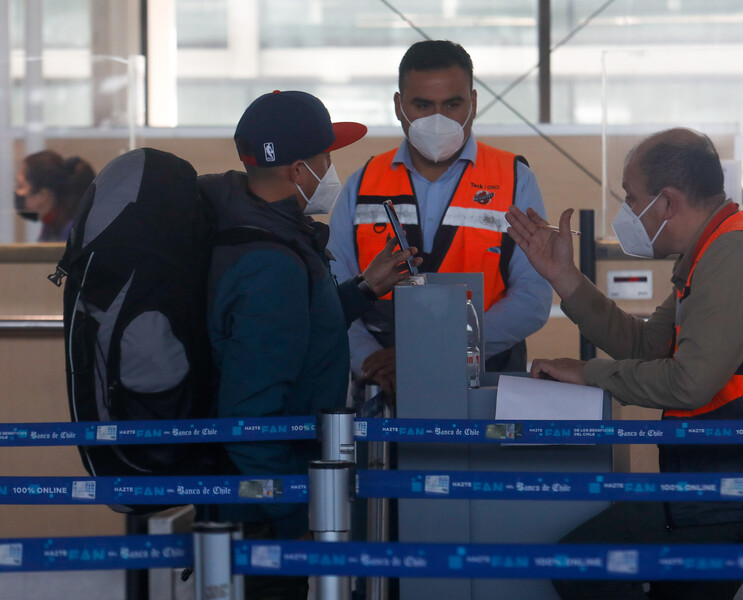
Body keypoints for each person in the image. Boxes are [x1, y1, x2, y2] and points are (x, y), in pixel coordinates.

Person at [505, 127, 743, 600]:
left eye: (632, 199)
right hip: (737, 473)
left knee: (581, 561)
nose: (626, 213)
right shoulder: (712, 250)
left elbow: (689, 382)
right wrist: (566, 279)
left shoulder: (735, 254)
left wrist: (587, 373)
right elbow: (650, 347)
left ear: (667, 202)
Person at [199, 90, 421, 600]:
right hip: (271, 517)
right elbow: (249, 418)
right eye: (326, 157)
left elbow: (295, 329)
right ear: (299, 171)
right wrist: (297, 519)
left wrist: (365, 287)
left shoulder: (265, 234)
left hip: (273, 500)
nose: (330, 167)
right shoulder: (270, 263)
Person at [327, 39, 552, 398]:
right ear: (399, 106)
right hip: (383, 386)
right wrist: (369, 358)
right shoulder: (363, 183)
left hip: (485, 384)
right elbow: (333, 295)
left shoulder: (515, 180)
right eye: (422, 105)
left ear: (474, 104)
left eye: (452, 104)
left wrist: (431, 353)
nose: (437, 119)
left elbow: (533, 298)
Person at [14, 150, 95, 241]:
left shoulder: (72, 234)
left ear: (42, 195)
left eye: (20, 186)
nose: (17, 192)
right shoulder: (51, 227)